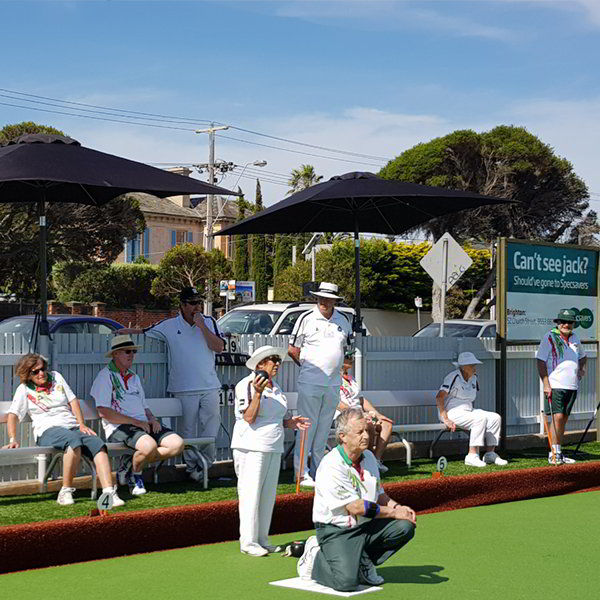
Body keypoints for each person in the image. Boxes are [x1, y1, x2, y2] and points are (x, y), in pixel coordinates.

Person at [297, 408, 416, 591]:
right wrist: (393, 512)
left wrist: (400, 508)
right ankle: (315, 556)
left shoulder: (368, 457)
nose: (366, 436)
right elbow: (355, 507)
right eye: (360, 432)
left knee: (404, 526)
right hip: (336, 529)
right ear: (343, 436)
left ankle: (363, 560)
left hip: (365, 525)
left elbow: (380, 494)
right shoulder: (332, 465)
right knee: (345, 583)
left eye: (367, 431)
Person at [121, 286, 225, 482]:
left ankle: (206, 466)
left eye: (199, 303)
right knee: (187, 430)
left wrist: (202, 326)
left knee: (211, 427)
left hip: (210, 385)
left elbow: (218, 347)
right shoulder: (169, 325)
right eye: (193, 303)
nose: (197, 307)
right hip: (183, 387)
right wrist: (123, 331)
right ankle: (192, 467)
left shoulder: (209, 322)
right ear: (183, 305)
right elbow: (144, 331)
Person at [2, 353, 124, 507]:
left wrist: (81, 424)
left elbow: (73, 401)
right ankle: (65, 490)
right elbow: (13, 415)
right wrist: (13, 439)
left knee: (98, 444)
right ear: (27, 374)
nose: (41, 373)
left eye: (43, 368)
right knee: (73, 441)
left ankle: (109, 492)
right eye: (35, 371)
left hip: (72, 427)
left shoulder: (57, 377)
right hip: (47, 430)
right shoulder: (24, 389)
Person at [231, 345, 310, 557]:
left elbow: (272, 418)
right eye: (272, 360)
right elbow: (249, 417)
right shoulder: (246, 384)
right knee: (251, 494)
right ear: (259, 364)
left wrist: (289, 422)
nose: (277, 363)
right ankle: (248, 542)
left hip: (273, 446)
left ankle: (262, 539)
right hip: (251, 447)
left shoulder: (276, 387)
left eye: (277, 360)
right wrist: (257, 394)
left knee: (267, 495)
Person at [91, 335, 184, 495]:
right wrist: (136, 422)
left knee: (177, 445)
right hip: (119, 427)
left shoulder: (134, 377)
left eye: (133, 351)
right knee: (149, 447)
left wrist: (152, 419)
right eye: (128, 351)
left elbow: (144, 406)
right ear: (115, 354)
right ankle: (136, 475)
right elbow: (104, 412)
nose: (132, 355)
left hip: (142, 425)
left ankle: (129, 463)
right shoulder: (104, 377)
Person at [288, 282, 353, 488]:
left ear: (335, 300)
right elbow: (293, 350)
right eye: (321, 298)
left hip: (333, 384)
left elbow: (347, 351)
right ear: (316, 299)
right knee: (307, 427)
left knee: (324, 429)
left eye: (328, 299)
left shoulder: (343, 320)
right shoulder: (305, 319)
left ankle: (318, 470)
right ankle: (300, 473)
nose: (324, 302)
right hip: (310, 382)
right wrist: (310, 368)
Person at [436, 351, 507, 468]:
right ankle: (472, 455)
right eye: (472, 365)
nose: (475, 367)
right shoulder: (453, 376)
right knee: (480, 418)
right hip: (451, 412)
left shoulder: (474, 378)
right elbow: (439, 397)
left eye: (474, 364)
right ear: (463, 367)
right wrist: (445, 418)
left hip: (468, 410)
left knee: (495, 417)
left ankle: (490, 453)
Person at [536, 308, 587, 464]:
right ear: (557, 323)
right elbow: (540, 361)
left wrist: (581, 369)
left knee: (563, 418)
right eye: (563, 321)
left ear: (573, 324)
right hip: (556, 384)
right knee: (557, 417)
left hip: (572, 385)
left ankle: (558, 451)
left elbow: (583, 357)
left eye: (569, 322)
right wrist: (546, 384)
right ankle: (554, 453)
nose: (566, 324)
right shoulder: (549, 337)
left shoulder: (575, 338)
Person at [337, 352, 393, 473]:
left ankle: (375, 460)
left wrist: (377, 414)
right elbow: (336, 402)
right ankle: (367, 462)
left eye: (351, 357)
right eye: (347, 357)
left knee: (386, 424)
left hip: (360, 415)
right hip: (344, 417)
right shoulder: (333, 378)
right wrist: (361, 415)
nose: (351, 359)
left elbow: (361, 399)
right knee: (369, 426)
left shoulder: (351, 379)